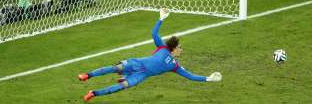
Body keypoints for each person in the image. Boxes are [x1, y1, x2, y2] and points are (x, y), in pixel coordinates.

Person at [78, 8, 222, 102]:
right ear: (173, 47)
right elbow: (154, 33)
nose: (181, 50)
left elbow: (190, 76)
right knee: (115, 68)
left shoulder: (175, 66)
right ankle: (87, 75)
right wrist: (161, 19)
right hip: (136, 63)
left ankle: (93, 93)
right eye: (180, 47)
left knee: (122, 86)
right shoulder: (162, 47)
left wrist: (208, 79)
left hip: (141, 75)